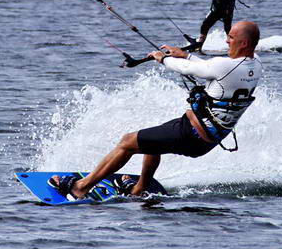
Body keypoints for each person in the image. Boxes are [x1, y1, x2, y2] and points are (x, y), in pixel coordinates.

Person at [49, 20, 263, 200]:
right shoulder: (255, 65)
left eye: (232, 37)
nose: (227, 40)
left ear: (244, 43)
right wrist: (185, 55)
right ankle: (140, 188)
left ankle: (80, 188)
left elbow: (198, 70)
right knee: (152, 143)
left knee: (127, 143)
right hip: (205, 137)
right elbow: (209, 69)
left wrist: (165, 59)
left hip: (191, 133)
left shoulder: (226, 66)